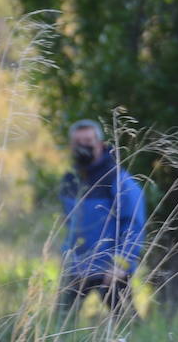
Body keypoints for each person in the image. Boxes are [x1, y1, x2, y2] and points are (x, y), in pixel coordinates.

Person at [57, 119, 147, 324]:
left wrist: (121, 263)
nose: (83, 146)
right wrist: (65, 254)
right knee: (60, 324)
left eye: (88, 141)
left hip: (110, 269)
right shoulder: (70, 180)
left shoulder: (118, 179)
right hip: (77, 267)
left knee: (127, 325)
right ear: (72, 146)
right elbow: (68, 224)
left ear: (100, 144)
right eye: (78, 142)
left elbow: (133, 224)